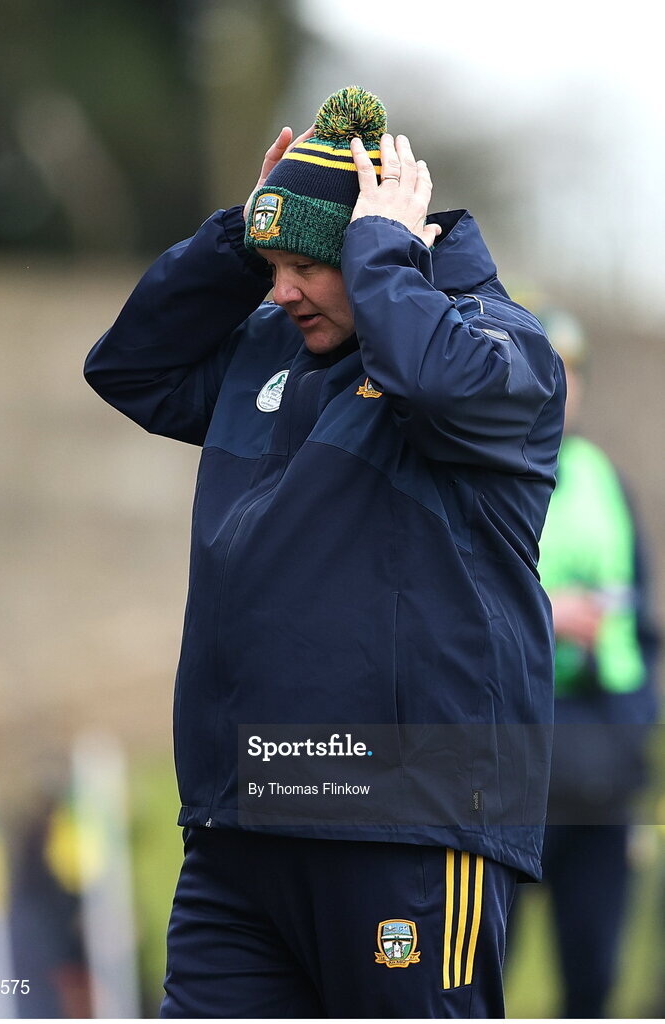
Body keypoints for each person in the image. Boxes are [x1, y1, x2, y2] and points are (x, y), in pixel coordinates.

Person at [84, 86, 565, 1018]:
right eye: (272, 265)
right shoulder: (270, 349)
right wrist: (241, 238)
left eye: (307, 264)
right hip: (238, 829)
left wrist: (386, 250)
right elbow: (128, 366)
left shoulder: (505, 350)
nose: (281, 290)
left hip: (406, 833)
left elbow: (431, 376)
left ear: (386, 246)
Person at [508, 308, 659, 1018]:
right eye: (545, 369)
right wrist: (548, 614)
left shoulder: (607, 484)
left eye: (570, 372)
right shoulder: (480, 472)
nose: (558, 387)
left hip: (601, 777)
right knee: (477, 977)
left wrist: (634, 730)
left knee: (592, 981)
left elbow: (639, 624)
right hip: (506, 775)